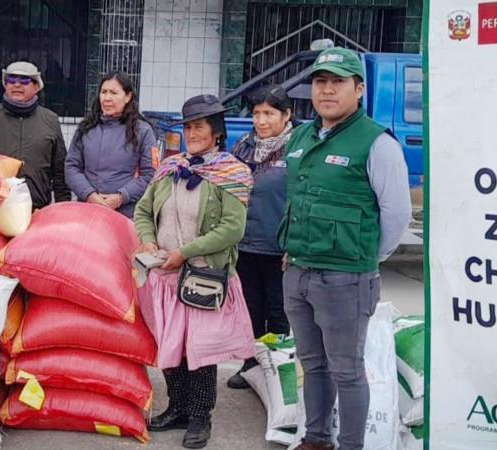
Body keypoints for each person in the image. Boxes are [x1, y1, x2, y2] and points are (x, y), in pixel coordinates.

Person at [278, 47, 412, 450]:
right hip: (298, 270)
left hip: (346, 278)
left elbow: (397, 214)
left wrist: (368, 260)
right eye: (321, 82)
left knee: (347, 370)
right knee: (312, 364)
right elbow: (297, 200)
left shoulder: (376, 143)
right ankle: (316, 438)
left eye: (338, 82)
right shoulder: (301, 136)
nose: (328, 91)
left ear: (359, 89)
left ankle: (351, 445)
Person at [133, 94, 255, 449]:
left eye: (199, 127)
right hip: (165, 277)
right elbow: (143, 211)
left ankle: (201, 416)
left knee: (199, 352)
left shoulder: (231, 173)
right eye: (188, 127)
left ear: (216, 132)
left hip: (204, 277)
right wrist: (148, 240)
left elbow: (232, 229)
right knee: (171, 347)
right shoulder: (170, 169)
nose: (192, 133)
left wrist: (185, 253)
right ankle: (179, 408)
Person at [226, 85, 295, 390]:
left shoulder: (298, 149)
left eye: (269, 113)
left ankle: (279, 373)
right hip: (246, 242)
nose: (261, 120)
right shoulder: (243, 145)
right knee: (249, 308)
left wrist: (293, 241)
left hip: (279, 246)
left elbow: (302, 198)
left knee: (278, 310)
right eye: (256, 113)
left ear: (286, 115)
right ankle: (250, 365)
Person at [0, 61, 70, 209]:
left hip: (37, 209)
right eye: (11, 80)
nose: (17, 85)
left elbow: (60, 170)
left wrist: (62, 208)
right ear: (5, 85)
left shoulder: (50, 120)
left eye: (24, 80)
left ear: (36, 86)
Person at [65, 72, 156, 218]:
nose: (107, 98)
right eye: (103, 92)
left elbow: (150, 175)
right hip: (86, 211)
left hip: (125, 215)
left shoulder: (142, 131)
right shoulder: (86, 128)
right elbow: (71, 167)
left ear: (128, 97)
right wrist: (89, 195)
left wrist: (121, 197)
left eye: (113, 93)